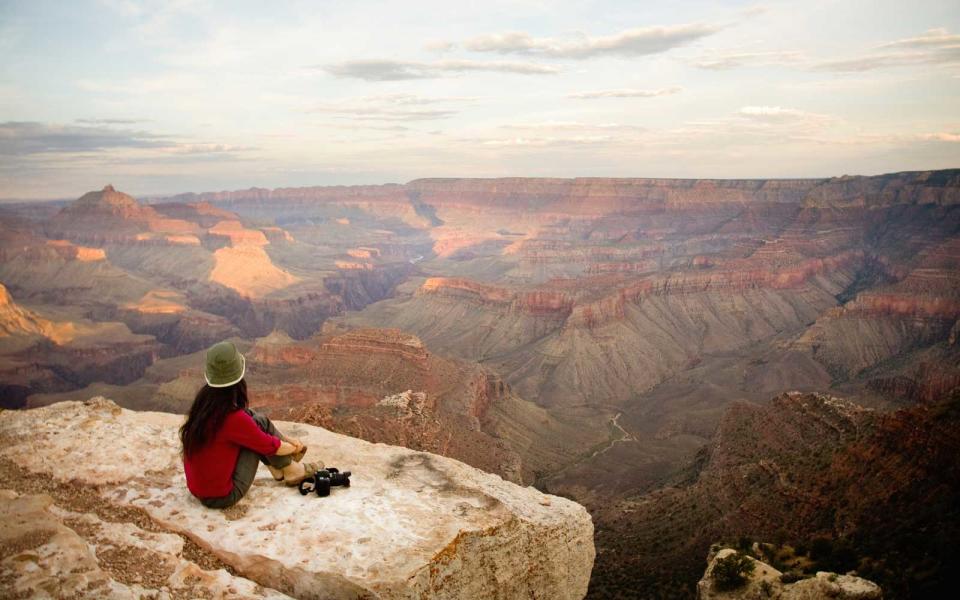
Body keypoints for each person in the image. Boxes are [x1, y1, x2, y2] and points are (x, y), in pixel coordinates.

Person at [180, 340, 322, 508]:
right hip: (222, 496)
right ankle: (291, 469)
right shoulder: (233, 418)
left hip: (198, 490)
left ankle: (279, 469)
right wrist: (294, 447)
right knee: (254, 435)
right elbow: (270, 446)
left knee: (256, 419)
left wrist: (289, 440)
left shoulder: (203, 406)